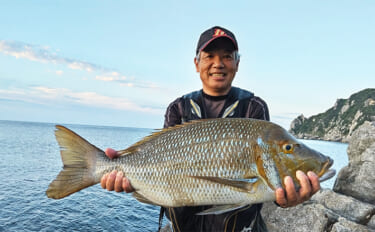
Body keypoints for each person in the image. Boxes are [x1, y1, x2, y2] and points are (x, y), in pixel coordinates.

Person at [101, 26, 321, 231]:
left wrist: (284, 198)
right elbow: (158, 159)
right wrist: (128, 174)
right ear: (196, 63)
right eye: (209, 56)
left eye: (227, 56)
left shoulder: (254, 107)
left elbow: (268, 187)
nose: (218, 63)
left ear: (237, 63)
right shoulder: (178, 108)